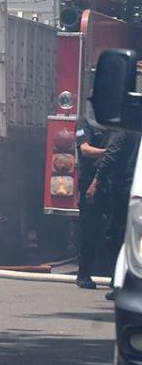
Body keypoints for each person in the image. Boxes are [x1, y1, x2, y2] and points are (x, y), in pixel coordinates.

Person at [89, 127, 140, 300]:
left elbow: (111, 156)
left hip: (124, 189)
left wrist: (96, 181)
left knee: (116, 235)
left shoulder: (124, 129)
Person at [75, 116, 108, 289]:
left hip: (110, 181)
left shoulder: (114, 122)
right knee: (89, 230)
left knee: (115, 231)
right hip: (90, 180)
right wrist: (109, 152)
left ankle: (117, 279)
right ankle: (83, 275)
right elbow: (85, 150)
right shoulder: (85, 122)